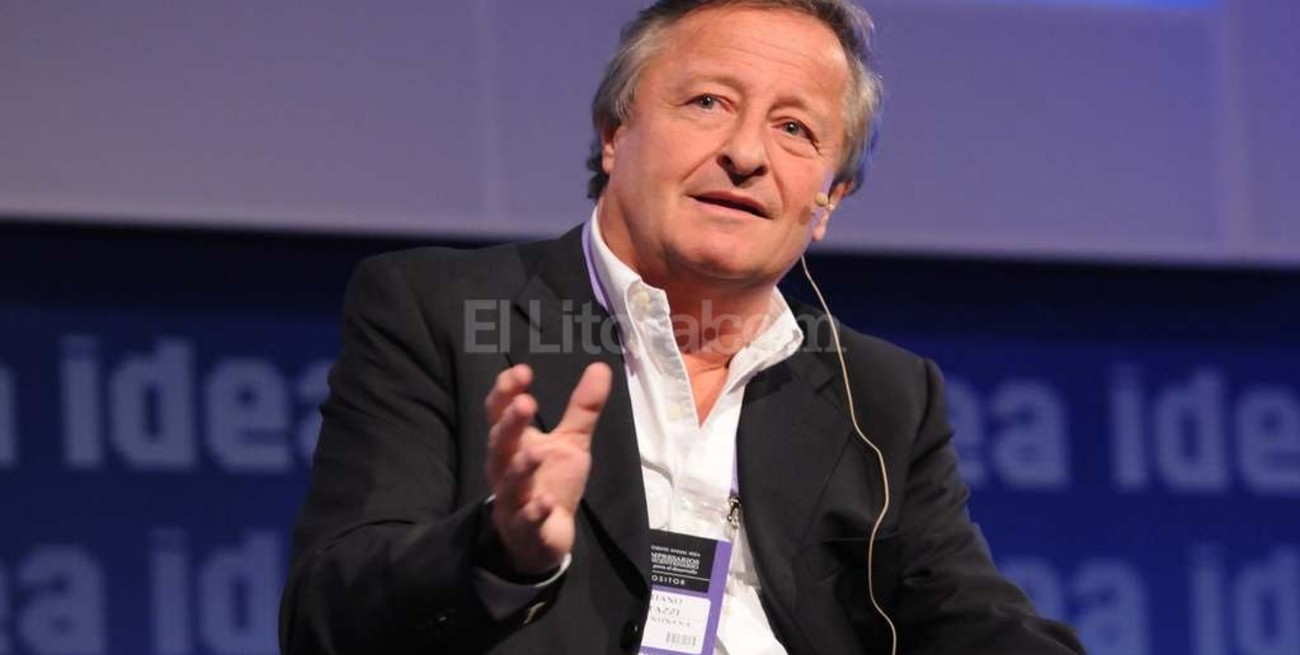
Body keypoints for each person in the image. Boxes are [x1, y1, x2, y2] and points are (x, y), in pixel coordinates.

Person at [279, 1, 1086, 653]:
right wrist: (499, 549)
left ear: (828, 200)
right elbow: (325, 618)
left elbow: (970, 618)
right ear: (615, 132)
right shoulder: (442, 310)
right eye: (709, 103)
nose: (747, 154)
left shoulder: (880, 396)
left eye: (795, 128)